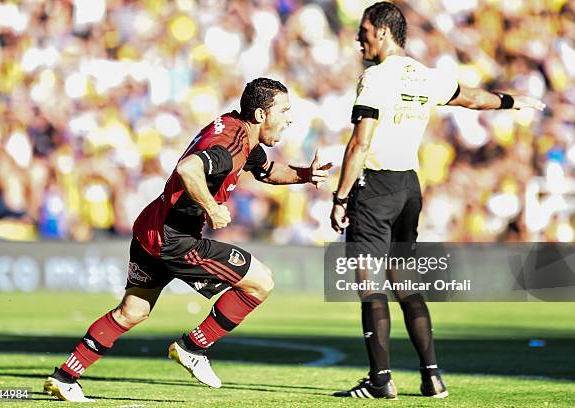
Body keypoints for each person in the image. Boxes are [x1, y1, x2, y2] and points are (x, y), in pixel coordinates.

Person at [43, 77, 332, 402]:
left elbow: (267, 170)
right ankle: (192, 346)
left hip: (151, 227)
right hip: (175, 239)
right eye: (284, 110)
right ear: (261, 115)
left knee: (132, 312)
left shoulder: (241, 134)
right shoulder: (230, 146)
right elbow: (188, 168)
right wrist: (213, 207)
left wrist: (305, 174)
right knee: (261, 282)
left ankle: (65, 377)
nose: (289, 118)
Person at [330, 2, 544, 400]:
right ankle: (432, 377)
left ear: (381, 31)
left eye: (363, 31)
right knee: (404, 282)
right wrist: (514, 102)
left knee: (368, 286)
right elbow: (474, 99)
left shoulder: (374, 78)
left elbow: (360, 143)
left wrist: (340, 197)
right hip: (409, 188)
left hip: (375, 187)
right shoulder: (424, 75)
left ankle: (381, 380)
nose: (358, 39)